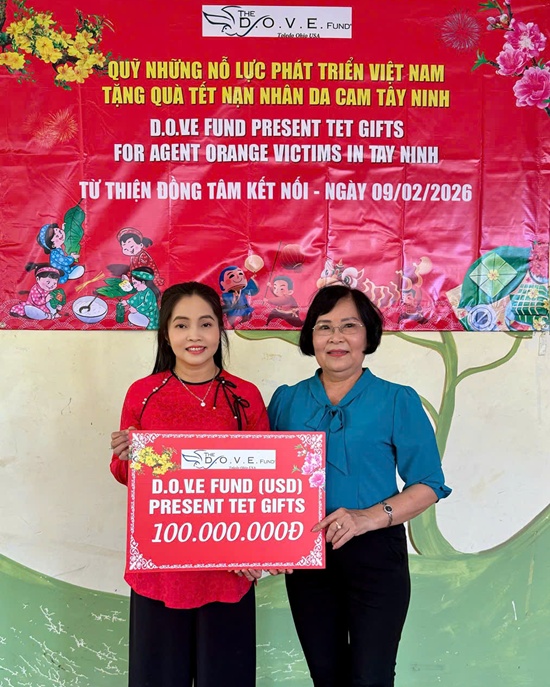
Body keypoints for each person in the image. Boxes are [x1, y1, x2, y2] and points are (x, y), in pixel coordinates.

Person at [267, 284, 451, 687]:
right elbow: (258, 474)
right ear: (310, 337)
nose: (336, 337)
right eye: (324, 327)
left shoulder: (398, 400)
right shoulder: (286, 401)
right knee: (326, 675)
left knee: (372, 677)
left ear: (368, 335)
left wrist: (368, 517)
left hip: (376, 554)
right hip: (306, 554)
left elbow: (429, 484)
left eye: (349, 326)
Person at [110, 281, 269, 687]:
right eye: (181, 325)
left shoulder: (245, 396)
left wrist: (261, 549)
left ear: (220, 329)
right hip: (159, 570)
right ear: (166, 333)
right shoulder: (143, 394)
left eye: (205, 324)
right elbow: (127, 476)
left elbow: (264, 481)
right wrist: (128, 457)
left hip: (229, 571)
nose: (194, 336)